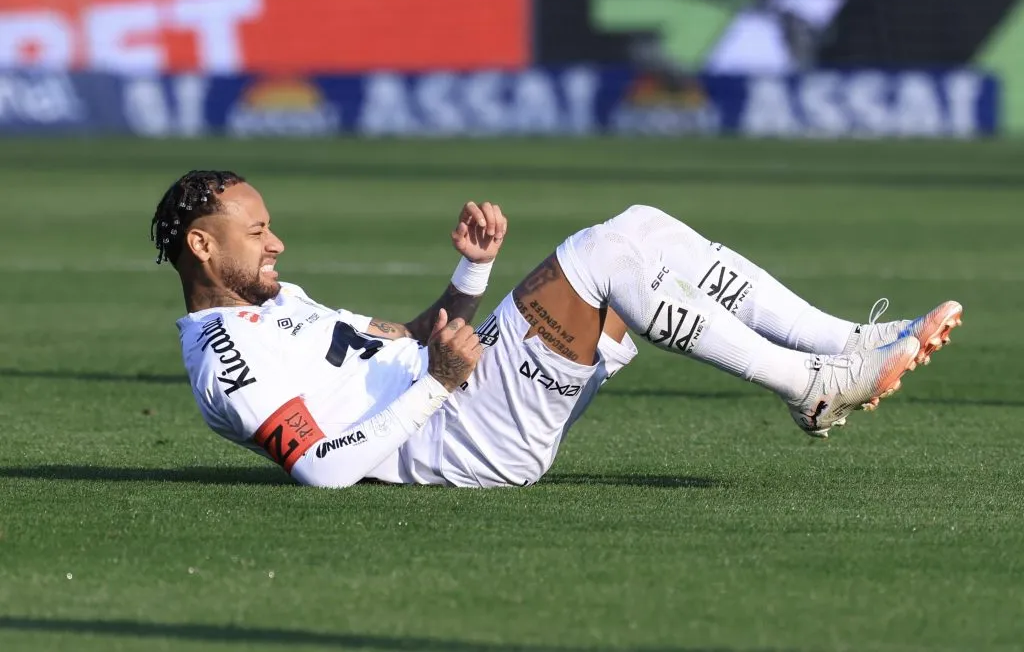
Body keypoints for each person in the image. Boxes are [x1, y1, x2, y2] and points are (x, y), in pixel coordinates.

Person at [152, 170, 962, 489]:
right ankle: (813, 388)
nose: (276, 243)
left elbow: (409, 334)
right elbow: (323, 470)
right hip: (457, 437)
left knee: (640, 225)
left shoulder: (275, 301)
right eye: (257, 231)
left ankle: (841, 344)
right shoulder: (226, 358)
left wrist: (471, 273)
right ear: (202, 245)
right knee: (601, 256)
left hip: (459, 396)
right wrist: (438, 381)